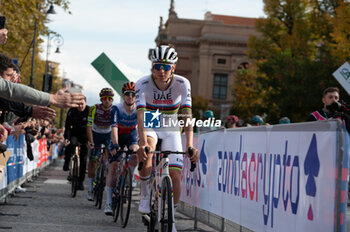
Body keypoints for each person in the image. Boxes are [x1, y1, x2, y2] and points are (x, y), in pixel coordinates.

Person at [135, 44, 199, 232]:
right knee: (147, 153)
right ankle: (145, 196)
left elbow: (187, 115)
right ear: (152, 67)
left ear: (174, 67)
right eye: (157, 66)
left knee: (175, 175)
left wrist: (189, 145)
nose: (161, 71)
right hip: (151, 121)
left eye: (166, 66)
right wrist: (143, 143)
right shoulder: (142, 83)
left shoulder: (183, 83)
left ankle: (171, 217)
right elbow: (140, 116)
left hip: (172, 125)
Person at [104, 82, 138, 215]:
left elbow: (141, 128)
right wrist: (116, 145)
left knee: (135, 152)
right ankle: (108, 202)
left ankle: (131, 174)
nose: (130, 96)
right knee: (113, 167)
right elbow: (114, 128)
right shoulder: (116, 108)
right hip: (117, 134)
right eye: (127, 94)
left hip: (131, 134)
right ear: (123, 95)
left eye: (133, 94)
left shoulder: (140, 108)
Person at [86, 88, 114, 201]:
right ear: (101, 99)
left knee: (111, 159)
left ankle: (106, 171)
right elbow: (88, 127)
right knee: (92, 161)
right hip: (95, 133)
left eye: (109, 98)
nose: (107, 101)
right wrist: (91, 141)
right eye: (104, 98)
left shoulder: (114, 109)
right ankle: (90, 188)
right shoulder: (94, 108)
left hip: (108, 134)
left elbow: (116, 128)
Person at [63, 97, 90, 191]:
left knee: (83, 159)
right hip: (74, 133)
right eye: (78, 104)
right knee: (70, 143)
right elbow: (67, 126)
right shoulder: (72, 111)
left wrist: (90, 140)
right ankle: (67, 161)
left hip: (85, 135)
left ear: (86, 103)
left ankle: (80, 181)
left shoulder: (89, 111)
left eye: (82, 104)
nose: (80, 106)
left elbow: (93, 127)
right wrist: (66, 138)